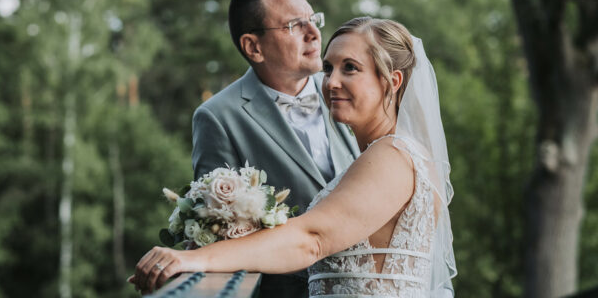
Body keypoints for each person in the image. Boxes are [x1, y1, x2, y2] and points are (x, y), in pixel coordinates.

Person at [130, 17, 457, 297]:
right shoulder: (390, 154)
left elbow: (311, 239)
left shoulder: (392, 156)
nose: (331, 82)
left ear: (392, 81)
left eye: (351, 68)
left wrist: (196, 260)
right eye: (328, 68)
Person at [190, 0, 360, 297]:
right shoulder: (217, 118)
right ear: (253, 47)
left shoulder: (353, 87)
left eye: (313, 20)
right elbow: (219, 230)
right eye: (295, 26)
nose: (314, 34)